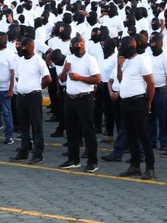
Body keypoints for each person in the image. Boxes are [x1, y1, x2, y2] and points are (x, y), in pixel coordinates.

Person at [116, 35, 156, 180]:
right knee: (131, 135)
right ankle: (135, 166)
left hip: (138, 101)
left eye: (122, 46)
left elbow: (150, 83)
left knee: (143, 135)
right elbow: (120, 79)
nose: (119, 49)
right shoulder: (125, 61)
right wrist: (119, 66)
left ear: (130, 47)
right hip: (126, 102)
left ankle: (150, 167)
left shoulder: (141, 60)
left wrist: (148, 102)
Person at [58, 35, 101, 173]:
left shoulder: (90, 60)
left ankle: (92, 161)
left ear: (84, 44)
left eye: (81, 44)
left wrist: (79, 78)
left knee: (88, 130)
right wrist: (65, 70)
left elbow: (97, 79)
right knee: (71, 130)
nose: (79, 47)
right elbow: (62, 79)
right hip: (70, 98)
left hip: (84, 98)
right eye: (76, 45)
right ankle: (73, 159)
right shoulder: (69, 59)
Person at [9, 37, 51, 164]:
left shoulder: (39, 61)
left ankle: (38, 153)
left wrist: (37, 87)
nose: (23, 48)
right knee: (23, 126)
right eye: (22, 46)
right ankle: (24, 150)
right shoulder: (20, 61)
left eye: (26, 46)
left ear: (32, 47)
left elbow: (48, 79)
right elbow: (17, 77)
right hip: (21, 96)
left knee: (36, 125)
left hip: (33, 96)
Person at [0, 32, 16, 145]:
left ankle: (9, 136)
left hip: (5, 89)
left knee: (6, 113)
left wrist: (11, 90)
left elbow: (13, 73)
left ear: (5, 40)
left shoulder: (10, 54)